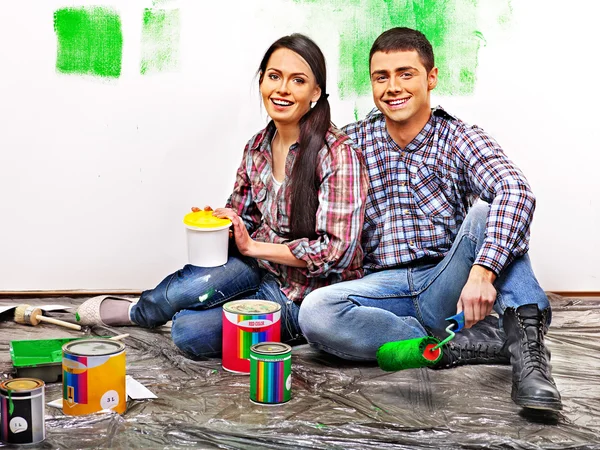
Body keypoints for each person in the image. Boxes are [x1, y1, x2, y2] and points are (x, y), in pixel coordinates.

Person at [298, 27, 562, 411]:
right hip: (383, 290)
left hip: (448, 282)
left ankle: (531, 356)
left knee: (490, 212)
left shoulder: (459, 137)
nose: (393, 87)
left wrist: (482, 271)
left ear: (431, 77)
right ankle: (445, 346)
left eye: (406, 73)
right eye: (381, 77)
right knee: (316, 311)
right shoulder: (350, 143)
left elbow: (516, 190)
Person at [77, 34, 368, 358]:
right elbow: (245, 213)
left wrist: (254, 246)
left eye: (297, 81)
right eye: (274, 77)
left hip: (303, 294)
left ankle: (278, 325)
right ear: (262, 81)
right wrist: (223, 222)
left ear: (315, 91)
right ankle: (138, 312)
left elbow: (336, 251)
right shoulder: (257, 146)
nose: (282, 89)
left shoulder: (338, 154)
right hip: (258, 267)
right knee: (187, 288)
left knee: (187, 332)